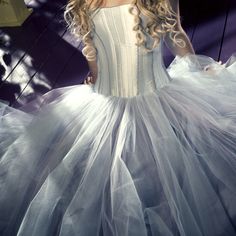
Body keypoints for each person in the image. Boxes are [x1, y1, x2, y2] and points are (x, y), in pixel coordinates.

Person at [0, 0, 236, 235]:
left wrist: (196, 67)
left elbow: (96, 60)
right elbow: (172, 34)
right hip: (115, 100)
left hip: (145, 96)